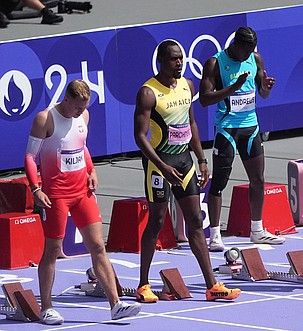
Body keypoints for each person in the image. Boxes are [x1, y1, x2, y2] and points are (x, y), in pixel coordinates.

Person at [24, 80, 141, 324]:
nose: (81, 112)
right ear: (66, 99)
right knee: (53, 251)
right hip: (55, 196)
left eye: (84, 107)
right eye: (77, 107)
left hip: (82, 193)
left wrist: (92, 171)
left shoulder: (84, 115)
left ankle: (115, 304)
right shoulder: (45, 119)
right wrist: (36, 189)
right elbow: (29, 157)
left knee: (98, 246)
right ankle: (47, 307)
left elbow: (82, 147)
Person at [133, 39, 240, 303]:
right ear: (161, 61)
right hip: (159, 166)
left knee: (195, 221)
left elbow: (191, 123)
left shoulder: (187, 85)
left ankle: (212, 285)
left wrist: (202, 159)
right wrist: (161, 165)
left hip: (184, 161)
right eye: (173, 59)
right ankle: (143, 284)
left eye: (181, 58)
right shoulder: (148, 92)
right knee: (157, 221)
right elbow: (139, 136)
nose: (179, 63)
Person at [199, 26, 284, 251]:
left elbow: (262, 93)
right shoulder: (215, 63)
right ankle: (215, 236)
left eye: (251, 50)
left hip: (251, 127)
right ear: (235, 45)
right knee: (219, 182)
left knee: (258, 179)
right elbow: (204, 99)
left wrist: (266, 88)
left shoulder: (255, 58)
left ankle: (257, 230)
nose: (248, 54)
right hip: (227, 128)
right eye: (245, 50)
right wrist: (232, 88)